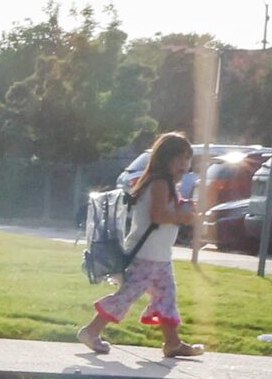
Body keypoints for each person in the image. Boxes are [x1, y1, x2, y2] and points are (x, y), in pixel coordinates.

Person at [80, 131, 206, 359]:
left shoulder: (164, 183)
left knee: (166, 297)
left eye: (187, 158)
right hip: (146, 256)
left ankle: (173, 343)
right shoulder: (159, 182)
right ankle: (91, 331)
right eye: (177, 158)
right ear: (162, 159)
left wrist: (183, 209)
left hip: (159, 256)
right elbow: (158, 215)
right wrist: (183, 217)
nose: (184, 164)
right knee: (127, 296)